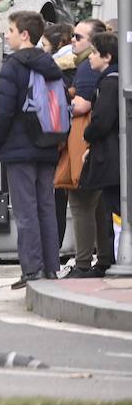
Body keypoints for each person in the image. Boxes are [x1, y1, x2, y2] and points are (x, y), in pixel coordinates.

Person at [0, 10, 63, 289]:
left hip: (19, 148)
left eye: (10, 30)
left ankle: (32, 269)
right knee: (46, 207)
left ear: (24, 34)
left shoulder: (13, 66)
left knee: (25, 210)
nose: (7, 35)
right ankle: (51, 267)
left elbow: (4, 110)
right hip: (47, 143)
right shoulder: (50, 64)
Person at [61, 20, 114, 276]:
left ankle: (82, 264)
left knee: (81, 202)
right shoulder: (108, 71)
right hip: (104, 146)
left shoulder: (85, 69)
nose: (73, 40)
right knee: (101, 205)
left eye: (78, 37)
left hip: (83, 139)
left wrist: (63, 107)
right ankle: (104, 259)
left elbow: (82, 106)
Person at [79, 32, 121, 277]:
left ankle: (116, 259)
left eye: (94, 52)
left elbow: (103, 121)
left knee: (114, 209)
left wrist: (88, 133)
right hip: (112, 156)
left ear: (107, 56)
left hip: (111, 158)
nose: (90, 57)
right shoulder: (113, 79)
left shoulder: (109, 82)